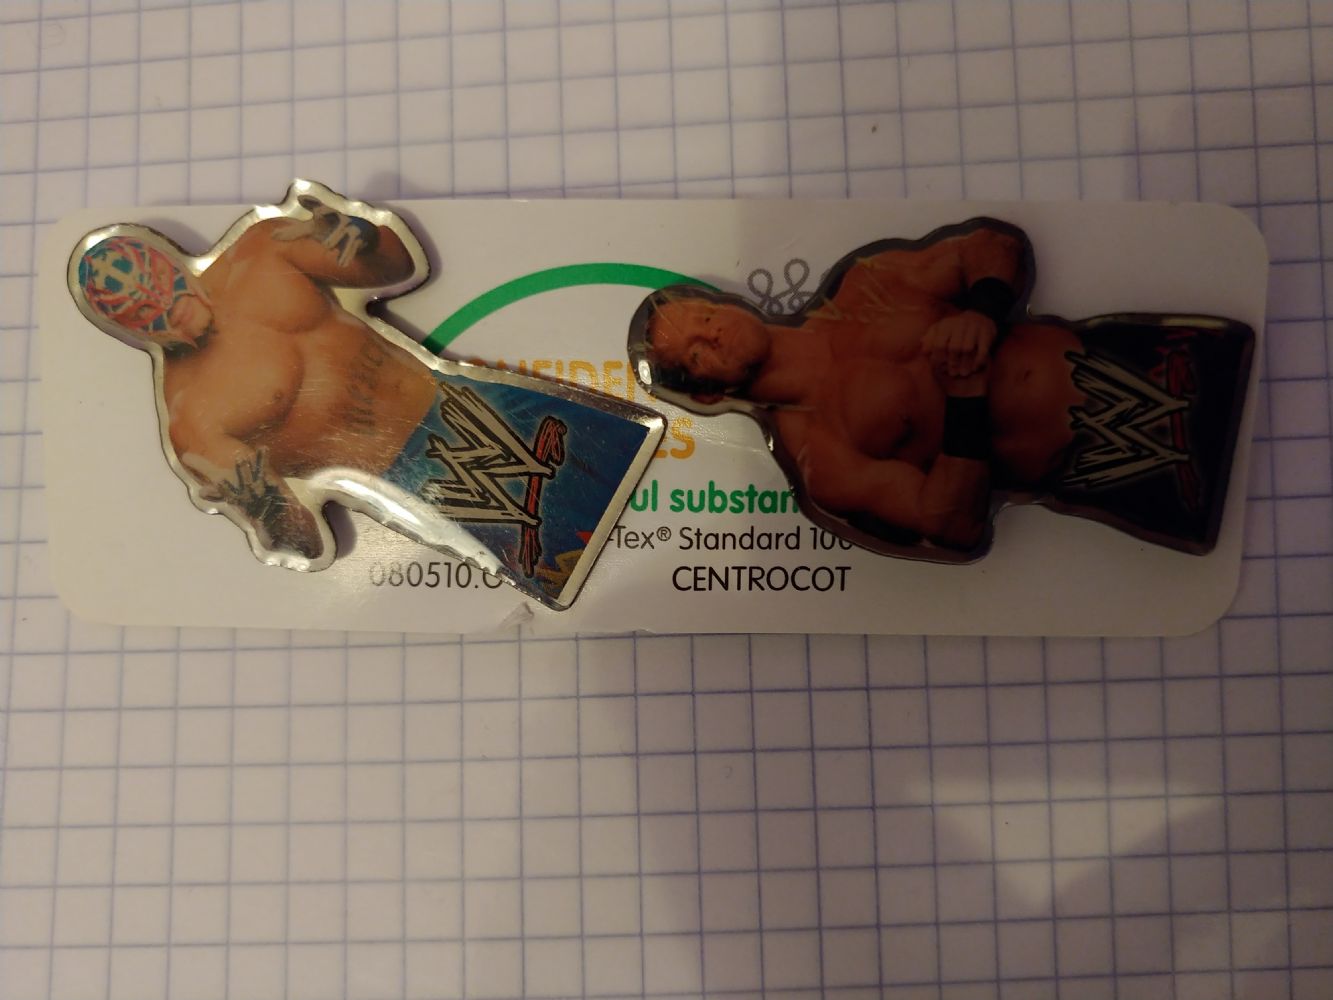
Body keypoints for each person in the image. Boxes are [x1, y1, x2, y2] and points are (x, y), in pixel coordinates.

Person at [72, 186, 657, 604]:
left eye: (166, 292)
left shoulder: (263, 249)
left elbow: (398, 265)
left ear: (171, 266)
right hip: (433, 485)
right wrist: (264, 507)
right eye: (150, 316)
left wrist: (358, 234)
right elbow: (302, 543)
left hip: (476, 403)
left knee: (655, 467)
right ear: (133, 330)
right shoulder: (194, 424)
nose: (171, 313)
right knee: (619, 584)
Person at [629, 219, 1253, 558]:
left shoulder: (865, 287)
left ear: (728, 302)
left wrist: (983, 310)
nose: (712, 335)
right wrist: (966, 399)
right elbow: (949, 524)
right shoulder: (823, 461)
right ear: (704, 395)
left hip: (1159, 358)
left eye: (705, 318)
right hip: (1138, 473)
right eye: (696, 353)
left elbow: (991, 247)